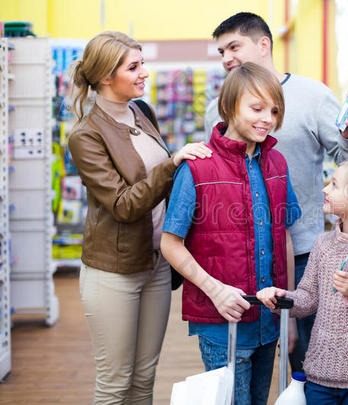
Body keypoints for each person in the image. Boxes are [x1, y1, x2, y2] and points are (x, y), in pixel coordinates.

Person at [205, 12, 348, 372]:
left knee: (307, 362)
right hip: (240, 259)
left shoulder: (313, 96)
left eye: (234, 46)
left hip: (302, 254)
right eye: (221, 51)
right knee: (246, 363)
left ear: (264, 45)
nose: (226, 58)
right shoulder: (215, 110)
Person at [68, 31, 211, 404]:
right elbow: (123, 205)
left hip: (157, 266)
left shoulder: (142, 112)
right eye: (134, 67)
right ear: (104, 77)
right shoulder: (86, 135)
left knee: (145, 378)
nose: (144, 73)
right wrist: (172, 163)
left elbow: (160, 190)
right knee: (115, 383)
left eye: (142, 63)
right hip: (113, 271)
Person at [160, 62, 302, 405]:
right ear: (228, 106)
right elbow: (170, 243)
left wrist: (291, 312)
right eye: (256, 108)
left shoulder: (277, 164)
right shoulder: (198, 166)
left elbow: (282, 236)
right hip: (221, 323)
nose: (267, 118)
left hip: (269, 322)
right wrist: (216, 291)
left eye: (274, 110)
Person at [257, 151, 348, 405]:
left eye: (334, 185)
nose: (325, 189)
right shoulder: (323, 244)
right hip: (321, 373)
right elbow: (308, 299)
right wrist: (284, 298)